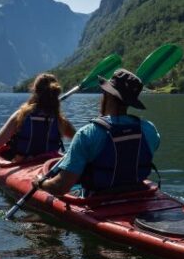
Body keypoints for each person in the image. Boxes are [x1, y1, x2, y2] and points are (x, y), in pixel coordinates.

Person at [33, 68, 160, 196]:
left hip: (98, 200)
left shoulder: (87, 134)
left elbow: (60, 187)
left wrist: (40, 183)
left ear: (108, 94)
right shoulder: (150, 130)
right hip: (137, 195)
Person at [0, 73, 75, 160]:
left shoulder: (21, 115)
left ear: (34, 91)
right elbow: (79, 139)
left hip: (23, 162)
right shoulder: (60, 120)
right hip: (49, 163)